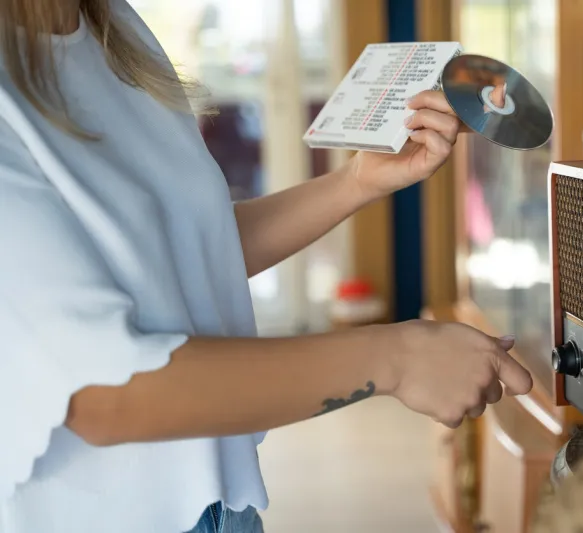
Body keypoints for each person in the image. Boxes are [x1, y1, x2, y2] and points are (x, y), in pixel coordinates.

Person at [0, 1, 533, 533]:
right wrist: (396, 356)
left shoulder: (112, 27)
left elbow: (178, 255)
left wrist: (355, 182)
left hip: (224, 507)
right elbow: (100, 393)